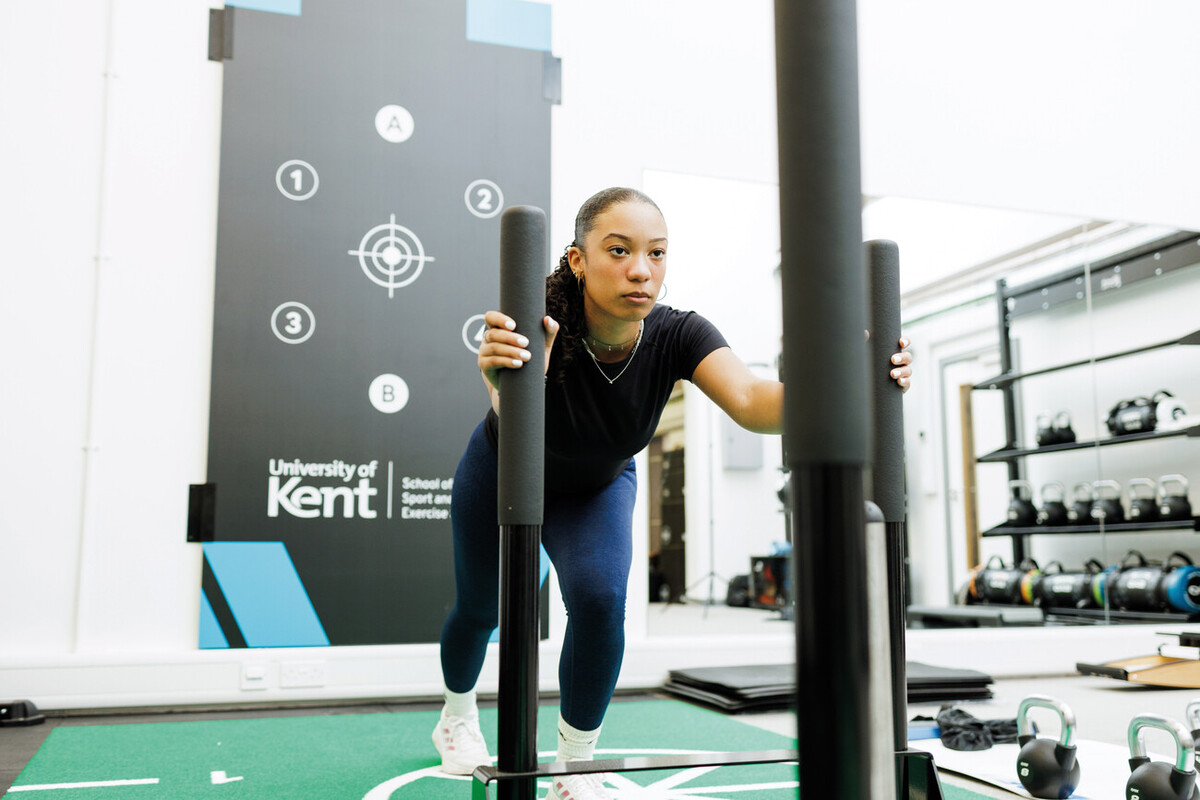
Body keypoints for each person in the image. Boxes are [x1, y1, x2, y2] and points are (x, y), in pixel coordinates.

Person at [432, 187, 913, 800]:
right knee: (483, 609)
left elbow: (753, 403)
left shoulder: (679, 334)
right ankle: (455, 717)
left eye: (656, 253)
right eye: (619, 250)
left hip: (598, 486)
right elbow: (508, 407)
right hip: (506, 469)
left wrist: (852, 380)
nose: (641, 268)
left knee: (603, 602)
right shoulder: (541, 318)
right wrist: (503, 374)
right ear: (578, 260)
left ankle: (576, 768)